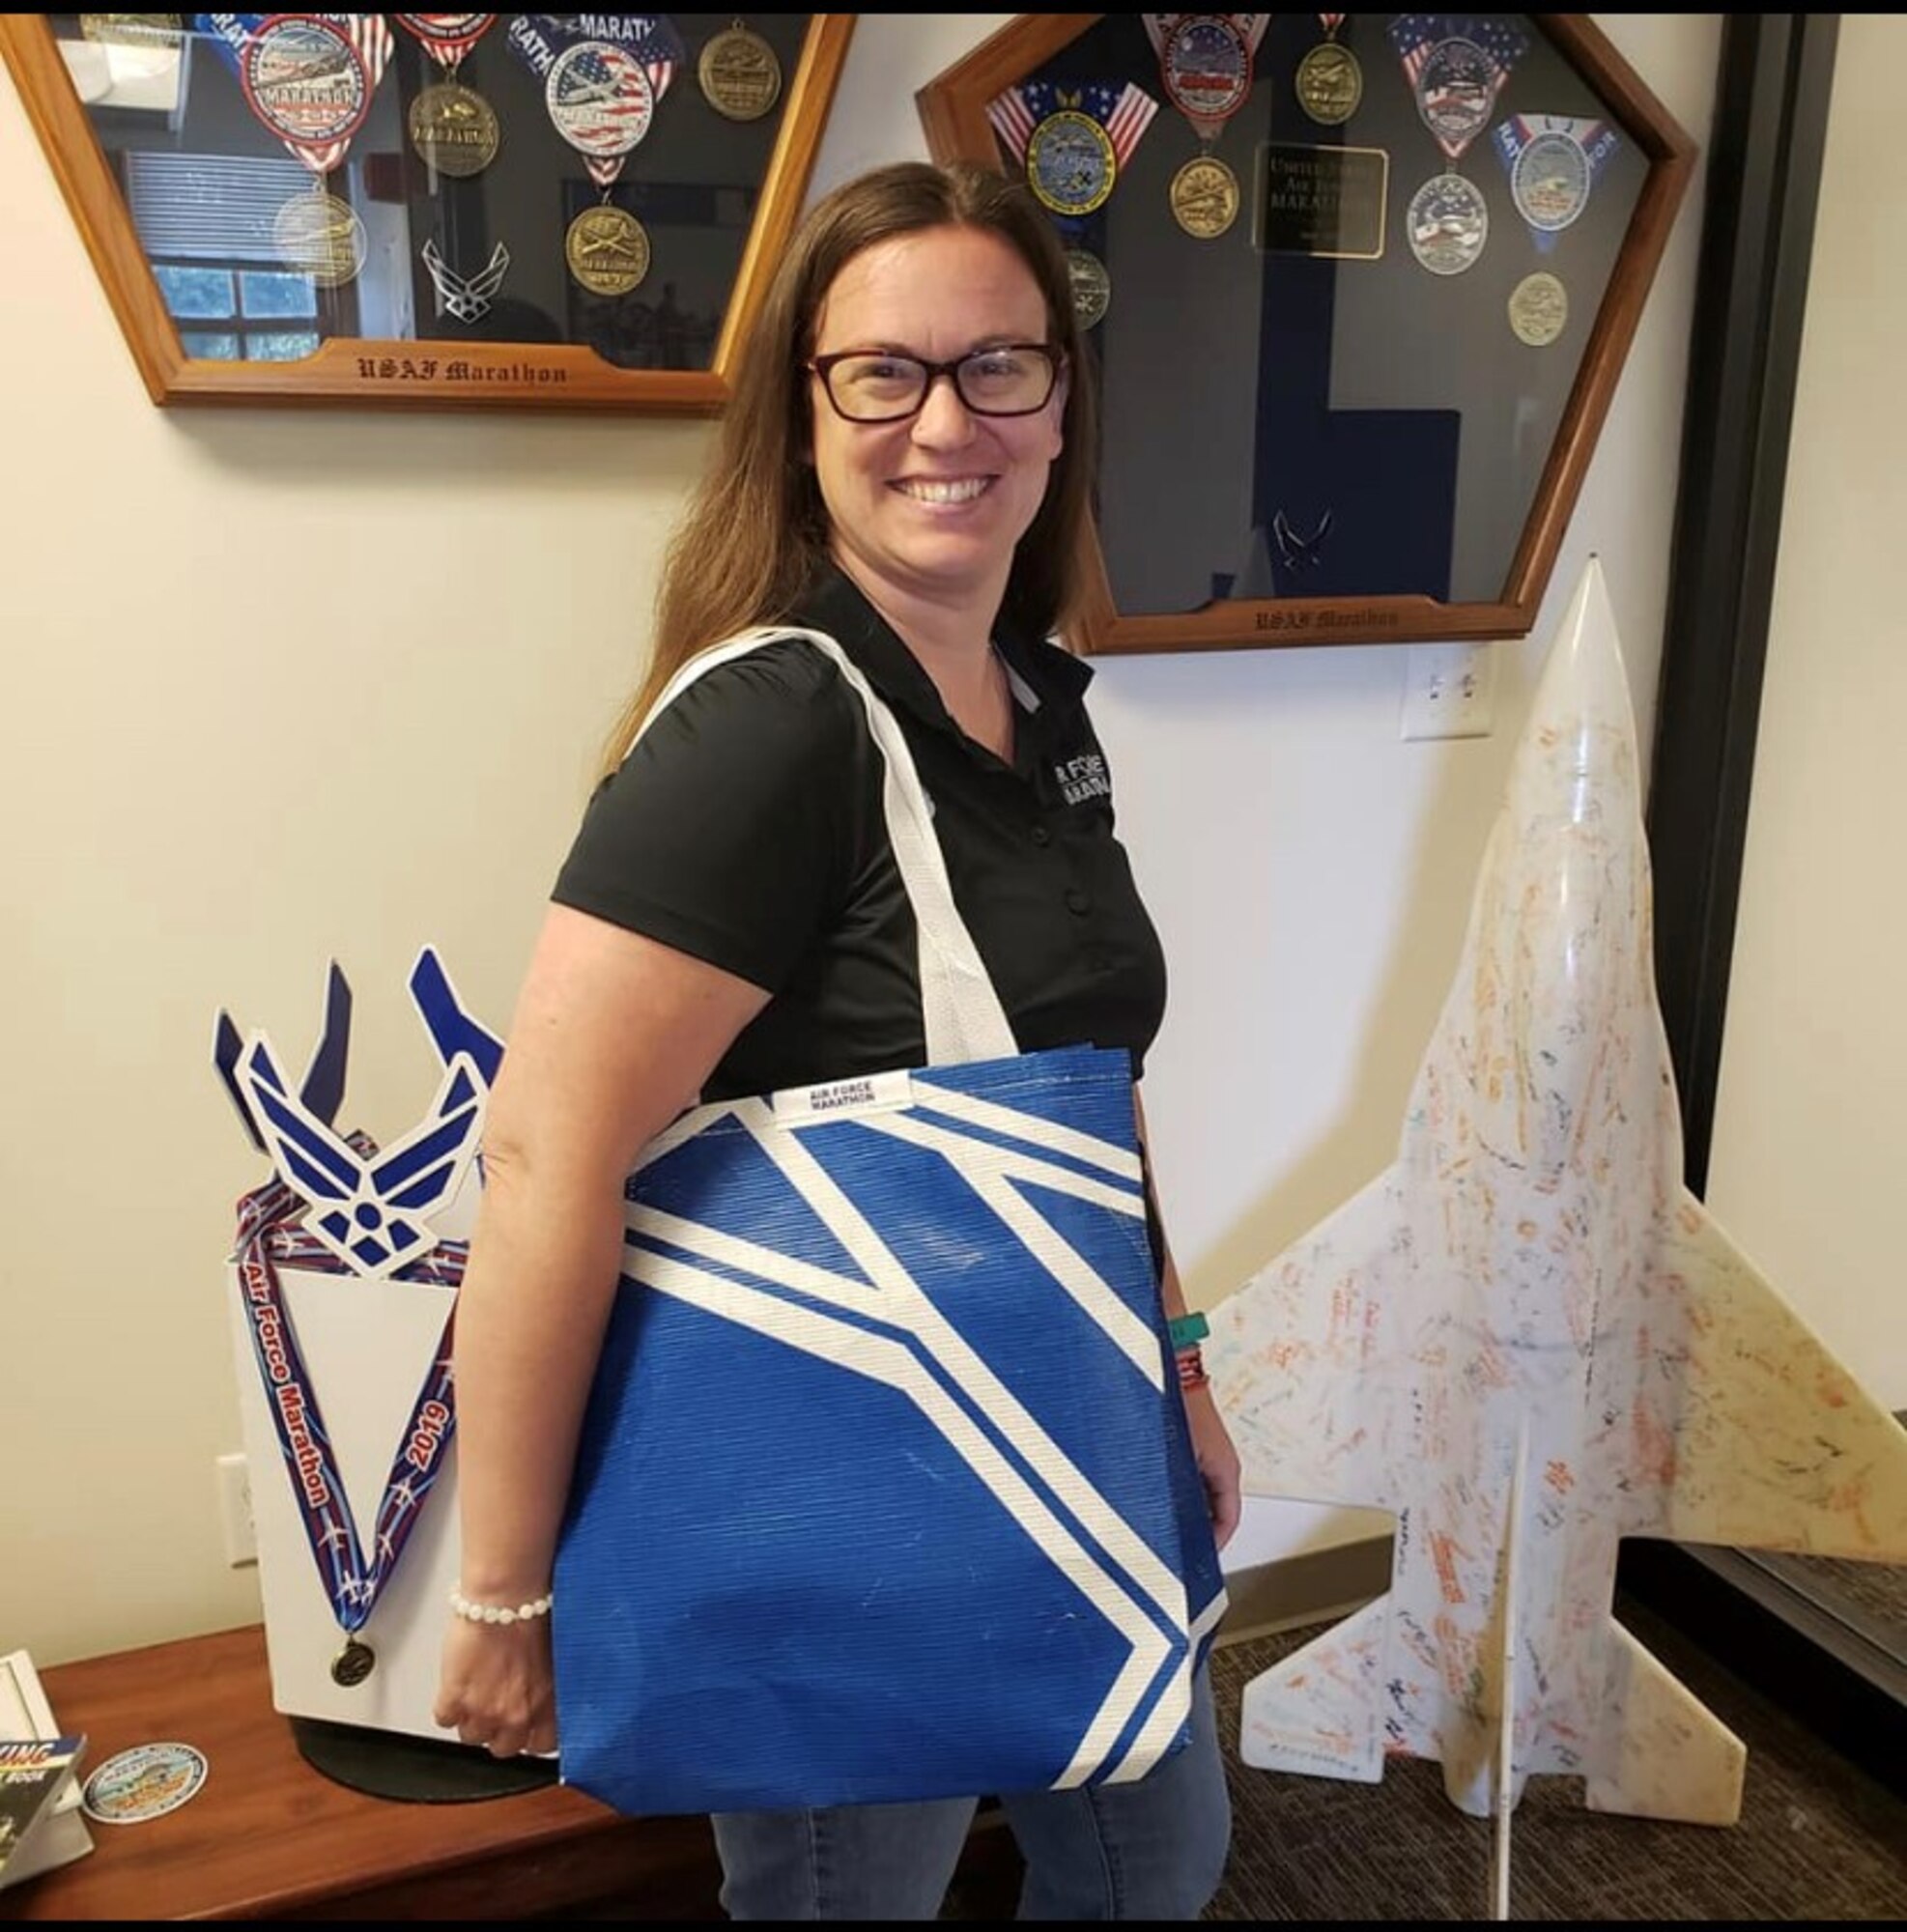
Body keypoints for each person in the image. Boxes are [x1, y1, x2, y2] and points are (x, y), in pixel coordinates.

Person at [433, 158, 1241, 1921]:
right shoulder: (773, 725)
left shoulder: (1035, 698)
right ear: (802, 411)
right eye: (881, 372)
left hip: (1052, 1426)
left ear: (1057, 397)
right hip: (845, 1478)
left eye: (997, 366)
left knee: (1155, 1854)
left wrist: (1172, 1368)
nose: (944, 421)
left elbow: (1084, 1088)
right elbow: (543, 1150)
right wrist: (504, 1599)